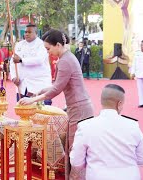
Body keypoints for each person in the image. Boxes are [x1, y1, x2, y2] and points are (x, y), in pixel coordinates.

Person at [18, 29, 94, 180]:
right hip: (78, 108)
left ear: (58, 45)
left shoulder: (66, 61)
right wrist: (38, 92)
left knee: (76, 150)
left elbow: (56, 89)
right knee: (74, 148)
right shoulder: (67, 58)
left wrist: (33, 99)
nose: (48, 52)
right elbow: (57, 85)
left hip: (79, 110)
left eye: (48, 49)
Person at [70, 84, 143, 180]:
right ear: (119, 104)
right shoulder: (133, 125)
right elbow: (142, 159)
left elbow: (76, 162)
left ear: (102, 101)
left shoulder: (85, 126)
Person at [10, 24, 52, 105]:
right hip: (22, 85)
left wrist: (22, 60)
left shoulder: (42, 45)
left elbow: (39, 60)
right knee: (23, 113)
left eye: (29, 32)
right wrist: (14, 77)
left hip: (39, 85)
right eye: (25, 32)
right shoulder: (19, 45)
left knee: (41, 112)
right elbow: (12, 62)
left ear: (36, 33)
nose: (26, 34)